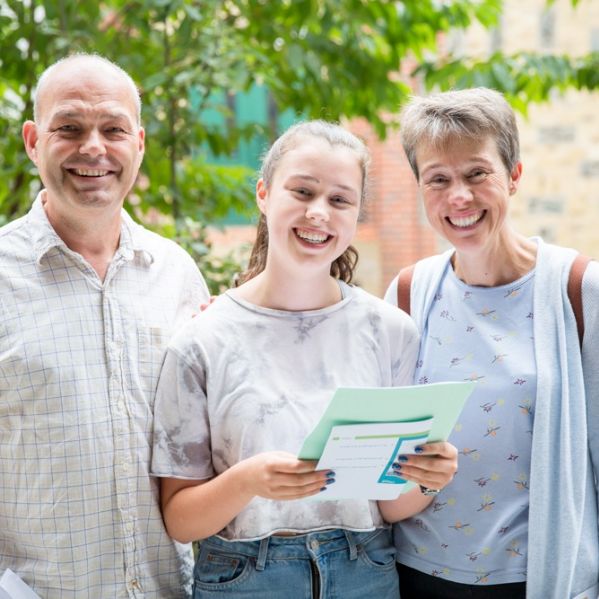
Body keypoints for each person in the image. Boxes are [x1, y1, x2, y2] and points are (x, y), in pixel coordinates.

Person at [150, 120, 458, 598]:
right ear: (263, 194)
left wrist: (429, 480)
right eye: (302, 191)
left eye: (339, 200)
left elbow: (391, 505)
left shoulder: (391, 331)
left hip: (366, 573)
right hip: (245, 579)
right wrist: (247, 480)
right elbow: (180, 520)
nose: (319, 213)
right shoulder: (200, 342)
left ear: (356, 216)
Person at [0, 54, 210, 598]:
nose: (93, 147)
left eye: (112, 129)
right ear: (32, 140)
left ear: (138, 143)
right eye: (68, 128)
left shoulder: (178, 275)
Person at [385, 87, 599, 599]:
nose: (459, 196)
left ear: (514, 175)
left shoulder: (578, 289)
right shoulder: (409, 291)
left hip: (539, 579)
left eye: (477, 173)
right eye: (439, 179)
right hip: (415, 576)